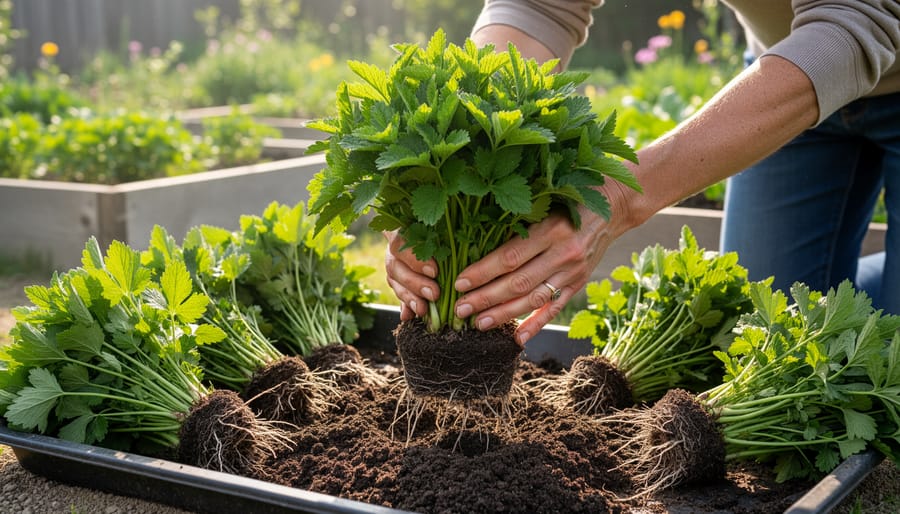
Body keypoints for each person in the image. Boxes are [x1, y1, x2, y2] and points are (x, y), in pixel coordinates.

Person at [384, 0, 900, 346]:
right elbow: (539, 6)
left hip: (840, 42)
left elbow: (859, 21)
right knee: (766, 330)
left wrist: (621, 197)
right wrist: (456, 151)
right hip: (786, 57)